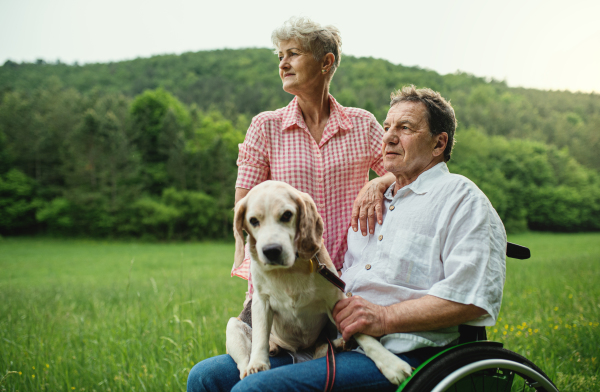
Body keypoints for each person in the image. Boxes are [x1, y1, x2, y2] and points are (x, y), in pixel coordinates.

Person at [186, 86, 507, 392]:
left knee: (256, 389)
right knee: (206, 378)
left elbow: (473, 298)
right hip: (336, 340)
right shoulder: (375, 200)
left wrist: (384, 317)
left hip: (407, 350)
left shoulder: (461, 198)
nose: (389, 137)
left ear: (439, 144)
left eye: (405, 128)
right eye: (387, 126)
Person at [230, 16, 396, 299]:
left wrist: (377, 183)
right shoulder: (264, 127)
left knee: (350, 346)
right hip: (285, 282)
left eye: (293, 54)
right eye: (280, 56)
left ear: (325, 62)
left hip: (351, 279)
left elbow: (404, 173)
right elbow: (244, 207)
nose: (283, 64)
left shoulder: (363, 124)